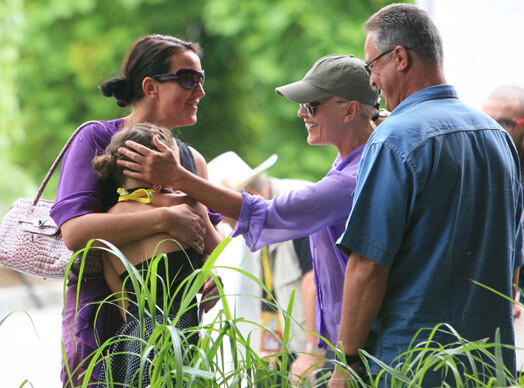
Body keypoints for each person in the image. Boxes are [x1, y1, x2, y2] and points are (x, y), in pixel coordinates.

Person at [115, 54, 381, 383]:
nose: (301, 113)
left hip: (358, 352)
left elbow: (265, 214)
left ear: (351, 110)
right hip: (351, 348)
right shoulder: (352, 165)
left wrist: (180, 178)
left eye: (311, 105)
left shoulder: (351, 179)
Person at [331, 4, 523, 387]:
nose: (371, 81)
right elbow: (511, 264)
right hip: (489, 367)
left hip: (413, 363)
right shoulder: (498, 138)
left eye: (372, 67)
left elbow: (368, 264)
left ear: (399, 57)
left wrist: (345, 362)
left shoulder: (394, 138)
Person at [50, 34, 220, 387]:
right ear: (150, 86)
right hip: (103, 324)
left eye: (202, 80)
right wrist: (164, 217)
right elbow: (74, 233)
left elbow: (210, 243)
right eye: (189, 79)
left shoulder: (191, 160)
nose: (200, 92)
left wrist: (211, 274)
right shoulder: (96, 138)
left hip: (178, 338)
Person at [91, 123, 221, 387]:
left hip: (131, 345)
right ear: (162, 163)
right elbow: (217, 248)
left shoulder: (107, 225)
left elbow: (123, 302)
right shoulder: (186, 204)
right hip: (176, 341)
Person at [207, 151, 320, 382]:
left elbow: (315, 282)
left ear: (251, 196)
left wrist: (313, 352)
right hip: (292, 346)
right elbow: (269, 292)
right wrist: (271, 352)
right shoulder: (261, 223)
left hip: (322, 347)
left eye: (233, 220)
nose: (235, 229)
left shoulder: (296, 205)